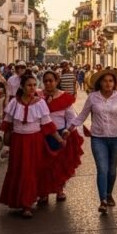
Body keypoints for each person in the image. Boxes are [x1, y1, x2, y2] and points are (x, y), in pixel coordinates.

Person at [0, 73, 63, 218]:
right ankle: (20, 201)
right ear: (22, 86)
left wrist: (59, 139)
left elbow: (47, 124)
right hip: (18, 142)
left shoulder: (40, 103)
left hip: (35, 141)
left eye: (34, 85)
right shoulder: (14, 103)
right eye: (29, 85)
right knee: (18, 171)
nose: (32, 88)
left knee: (30, 171)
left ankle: (27, 205)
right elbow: (7, 123)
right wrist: (4, 139)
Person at [70, 68, 117, 214]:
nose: (108, 83)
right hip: (98, 138)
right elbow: (82, 115)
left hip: (116, 139)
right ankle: (103, 200)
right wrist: (70, 127)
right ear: (100, 83)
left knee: (112, 170)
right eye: (105, 81)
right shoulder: (93, 97)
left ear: (115, 83)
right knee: (102, 169)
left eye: (111, 81)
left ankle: (109, 193)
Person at [37, 71, 84, 205]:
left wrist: (67, 131)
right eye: (45, 81)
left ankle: (59, 190)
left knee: (59, 164)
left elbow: (71, 118)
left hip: (60, 134)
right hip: (42, 135)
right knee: (43, 165)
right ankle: (43, 193)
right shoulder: (38, 97)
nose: (48, 83)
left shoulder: (65, 97)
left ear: (57, 81)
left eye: (51, 80)